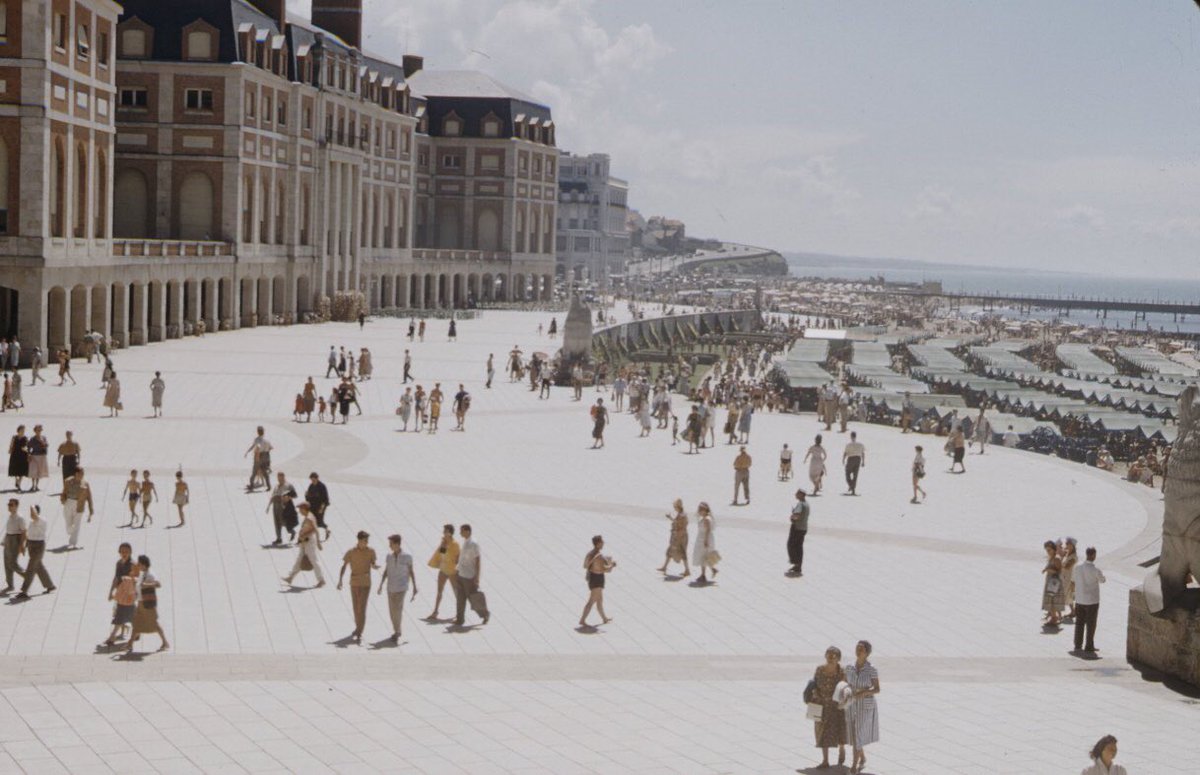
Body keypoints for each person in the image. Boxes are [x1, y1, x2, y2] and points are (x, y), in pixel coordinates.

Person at [844, 640, 880, 774]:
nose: (858, 651)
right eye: (857, 648)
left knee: (858, 734)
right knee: (854, 733)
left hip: (865, 705)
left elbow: (877, 689)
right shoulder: (849, 667)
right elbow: (845, 683)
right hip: (852, 702)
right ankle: (863, 757)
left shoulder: (872, 669)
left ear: (867, 653)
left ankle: (854, 766)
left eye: (861, 649)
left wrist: (865, 692)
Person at [337, 530, 378, 643]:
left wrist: (375, 566)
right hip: (354, 582)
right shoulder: (351, 552)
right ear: (359, 540)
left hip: (365, 583)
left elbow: (373, 563)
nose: (366, 542)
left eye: (367, 541)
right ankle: (357, 627)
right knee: (356, 608)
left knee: (362, 607)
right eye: (365, 540)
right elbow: (344, 566)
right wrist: (340, 580)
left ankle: (360, 631)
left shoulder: (371, 551)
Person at [812, 646, 847, 769]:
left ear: (838, 658)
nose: (831, 658)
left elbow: (845, 688)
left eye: (834, 656)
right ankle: (825, 760)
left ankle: (842, 748)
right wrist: (815, 695)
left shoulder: (842, 671)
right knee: (822, 733)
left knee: (840, 731)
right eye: (829, 655)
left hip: (837, 707)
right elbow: (814, 684)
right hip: (821, 705)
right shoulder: (819, 669)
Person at [126, 554, 169, 653]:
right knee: (137, 623)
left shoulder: (150, 574)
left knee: (154, 624)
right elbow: (139, 584)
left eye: (140, 564)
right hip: (141, 602)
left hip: (147, 604)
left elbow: (158, 584)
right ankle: (130, 644)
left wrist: (146, 584)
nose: (138, 565)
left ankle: (165, 642)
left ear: (144, 565)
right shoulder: (142, 573)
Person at [378, 533, 417, 643]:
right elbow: (386, 570)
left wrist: (414, 586)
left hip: (401, 587)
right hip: (390, 587)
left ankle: (397, 631)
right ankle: (397, 629)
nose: (389, 546)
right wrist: (381, 584)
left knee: (397, 609)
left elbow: (411, 571)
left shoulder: (407, 556)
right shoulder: (389, 557)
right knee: (391, 611)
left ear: (397, 544)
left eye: (391, 543)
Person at [13, 505, 52, 600]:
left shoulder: (42, 521)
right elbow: (28, 535)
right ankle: (49, 585)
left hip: (39, 546)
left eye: (32, 512)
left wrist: (31, 507)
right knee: (39, 567)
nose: (31, 514)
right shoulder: (31, 522)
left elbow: (35, 516)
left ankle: (24, 590)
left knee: (31, 568)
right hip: (31, 545)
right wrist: (24, 546)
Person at [452, 524, 488, 626]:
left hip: (469, 576)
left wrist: (477, 577)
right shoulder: (466, 542)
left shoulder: (473, 543)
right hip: (461, 574)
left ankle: (485, 614)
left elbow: (478, 561)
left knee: (474, 599)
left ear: (467, 531)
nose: (460, 533)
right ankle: (460, 619)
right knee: (460, 599)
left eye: (462, 531)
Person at [282, 503, 325, 588]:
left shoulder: (309, 518)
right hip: (304, 542)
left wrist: (318, 542)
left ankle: (321, 580)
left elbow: (315, 530)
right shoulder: (308, 516)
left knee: (314, 560)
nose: (299, 511)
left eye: (300, 509)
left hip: (309, 542)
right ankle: (290, 577)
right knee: (299, 559)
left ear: (304, 509)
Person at [1073, 547, 1106, 654]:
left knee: (1079, 623)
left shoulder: (1078, 568)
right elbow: (1102, 580)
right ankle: (1089, 645)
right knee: (1091, 624)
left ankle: (1078, 644)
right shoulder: (1096, 570)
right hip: (1092, 601)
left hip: (1079, 599)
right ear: (1093, 555)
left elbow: (1073, 580)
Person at [579, 535, 616, 627]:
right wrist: (612, 565)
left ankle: (604, 618)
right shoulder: (598, 556)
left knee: (599, 600)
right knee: (592, 600)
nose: (603, 543)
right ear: (598, 543)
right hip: (597, 579)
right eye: (602, 542)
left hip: (592, 577)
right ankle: (582, 620)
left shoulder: (590, 553)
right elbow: (605, 570)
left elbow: (584, 565)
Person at [425, 524, 460, 620]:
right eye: (444, 531)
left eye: (446, 531)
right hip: (443, 569)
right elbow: (441, 554)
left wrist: (457, 569)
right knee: (439, 591)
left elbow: (458, 558)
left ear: (450, 533)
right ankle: (435, 611)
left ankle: (459, 613)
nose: (444, 533)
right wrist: (443, 545)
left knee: (456, 592)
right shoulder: (444, 542)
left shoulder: (455, 544)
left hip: (452, 571)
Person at [60, 467, 93, 549]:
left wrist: (91, 508)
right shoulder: (68, 481)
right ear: (76, 474)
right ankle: (70, 531)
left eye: (83, 473)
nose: (82, 475)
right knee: (68, 525)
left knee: (77, 524)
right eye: (80, 473)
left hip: (79, 505)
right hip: (69, 503)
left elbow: (89, 497)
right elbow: (64, 492)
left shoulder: (85, 484)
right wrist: (62, 499)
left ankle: (73, 542)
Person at [656, 499, 690, 576]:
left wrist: (676, 534)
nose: (674, 508)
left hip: (680, 537)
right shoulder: (680, 514)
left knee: (682, 553)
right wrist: (670, 518)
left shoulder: (682, 515)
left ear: (678, 507)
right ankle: (664, 567)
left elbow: (681, 526)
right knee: (670, 551)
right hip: (678, 536)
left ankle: (687, 570)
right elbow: (676, 522)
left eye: (675, 507)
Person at [267, 472, 298, 545]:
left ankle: (291, 531)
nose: (279, 479)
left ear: (284, 477)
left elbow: (295, 495)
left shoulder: (288, 485)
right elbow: (273, 495)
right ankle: (279, 538)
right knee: (276, 522)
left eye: (281, 478)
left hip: (284, 506)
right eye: (278, 478)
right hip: (275, 505)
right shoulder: (276, 486)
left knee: (284, 522)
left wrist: (288, 498)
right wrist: (269, 504)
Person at [2, 498, 25, 594]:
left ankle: (27, 576)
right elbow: (8, 530)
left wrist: (21, 546)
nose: (9, 506)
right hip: (8, 539)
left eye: (11, 505)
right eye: (8, 504)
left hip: (15, 540)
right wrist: (4, 540)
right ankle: (10, 585)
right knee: (6, 563)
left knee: (12, 563)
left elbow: (24, 532)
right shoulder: (10, 516)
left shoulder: (20, 518)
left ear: (16, 506)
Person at [692, 502, 719, 584]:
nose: (699, 511)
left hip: (704, 539)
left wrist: (706, 540)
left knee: (703, 556)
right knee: (704, 556)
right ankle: (712, 570)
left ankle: (703, 575)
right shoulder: (704, 518)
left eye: (701, 510)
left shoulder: (707, 519)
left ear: (705, 510)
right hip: (702, 538)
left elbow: (707, 530)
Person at [1041, 539, 1065, 627]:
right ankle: (1053, 617)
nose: (1048, 552)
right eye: (1047, 550)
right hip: (1050, 582)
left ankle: (1054, 618)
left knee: (1053, 601)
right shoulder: (1051, 558)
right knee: (1050, 600)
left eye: (1049, 550)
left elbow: (1059, 571)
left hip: (1055, 583)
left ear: (1054, 549)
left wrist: (1049, 570)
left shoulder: (1056, 558)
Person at [788, 490, 809, 576]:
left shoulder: (800, 504)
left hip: (797, 528)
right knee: (799, 547)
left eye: (797, 493)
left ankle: (795, 562)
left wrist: (792, 517)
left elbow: (797, 515)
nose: (795, 494)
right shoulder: (806, 504)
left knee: (791, 545)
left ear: (801, 495)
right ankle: (798, 565)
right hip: (803, 528)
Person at [244, 426, 272, 492]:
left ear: (257, 432)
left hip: (259, 456)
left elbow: (256, 446)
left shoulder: (257, 439)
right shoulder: (267, 440)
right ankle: (269, 486)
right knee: (265, 472)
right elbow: (271, 448)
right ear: (263, 432)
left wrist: (252, 453)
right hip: (266, 456)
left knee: (254, 472)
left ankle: (251, 485)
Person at [305, 472, 332, 540]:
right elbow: (308, 498)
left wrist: (322, 508)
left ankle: (327, 530)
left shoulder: (322, 486)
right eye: (311, 480)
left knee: (319, 522)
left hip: (320, 507)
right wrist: (306, 495)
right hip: (313, 506)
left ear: (317, 478)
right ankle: (310, 536)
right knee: (311, 521)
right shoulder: (311, 486)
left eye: (313, 480)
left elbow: (325, 499)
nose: (312, 481)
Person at [26, 425, 48, 493]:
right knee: (33, 471)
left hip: (41, 456)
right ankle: (33, 485)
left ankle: (37, 486)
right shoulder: (32, 439)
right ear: (35, 431)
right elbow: (29, 447)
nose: (39, 431)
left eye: (40, 430)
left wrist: (42, 442)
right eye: (37, 430)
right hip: (34, 456)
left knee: (39, 471)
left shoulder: (43, 437)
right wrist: (28, 455)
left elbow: (46, 445)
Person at [8, 424, 28, 492]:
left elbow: (26, 446)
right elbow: (11, 444)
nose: (23, 431)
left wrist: (26, 449)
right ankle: (17, 480)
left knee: (22, 471)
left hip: (23, 455)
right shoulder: (14, 437)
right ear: (18, 430)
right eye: (22, 430)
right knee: (15, 469)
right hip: (15, 455)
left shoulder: (25, 438)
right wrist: (10, 449)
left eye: (24, 430)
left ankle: (19, 484)